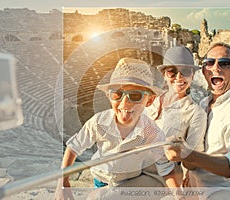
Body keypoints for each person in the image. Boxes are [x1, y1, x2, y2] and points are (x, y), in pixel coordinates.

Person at [55, 58, 179, 200]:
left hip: (128, 182)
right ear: (109, 96)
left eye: (135, 95)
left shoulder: (151, 131)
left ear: (149, 101)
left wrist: (179, 196)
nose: (125, 103)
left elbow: (165, 168)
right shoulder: (99, 122)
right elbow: (74, 147)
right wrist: (63, 183)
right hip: (101, 180)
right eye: (117, 94)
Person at [164, 42, 230, 200]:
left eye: (224, 63)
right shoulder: (203, 104)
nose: (216, 68)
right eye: (209, 63)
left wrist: (188, 155)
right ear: (203, 70)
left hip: (229, 192)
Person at [146, 46, 207, 187]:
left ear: (192, 75)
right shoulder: (151, 100)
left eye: (185, 71)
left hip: (162, 177)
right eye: (172, 72)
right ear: (164, 74)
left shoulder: (195, 113)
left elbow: (193, 158)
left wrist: (180, 150)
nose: (179, 77)